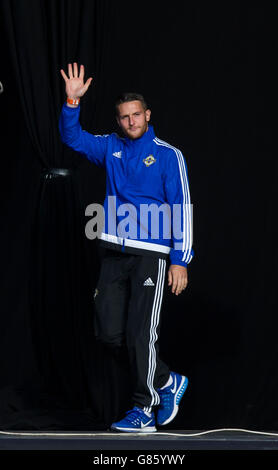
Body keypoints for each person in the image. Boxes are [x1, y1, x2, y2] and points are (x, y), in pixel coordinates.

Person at [59, 63, 193, 433]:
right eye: (125, 117)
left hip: (152, 256)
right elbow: (73, 139)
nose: (131, 122)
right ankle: (168, 381)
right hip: (115, 254)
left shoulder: (168, 155)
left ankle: (144, 408)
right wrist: (72, 101)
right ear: (118, 121)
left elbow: (181, 208)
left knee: (139, 334)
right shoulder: (110, 148)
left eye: (137, 115)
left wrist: (180, 260)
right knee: (108, 332)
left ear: (147, 116)